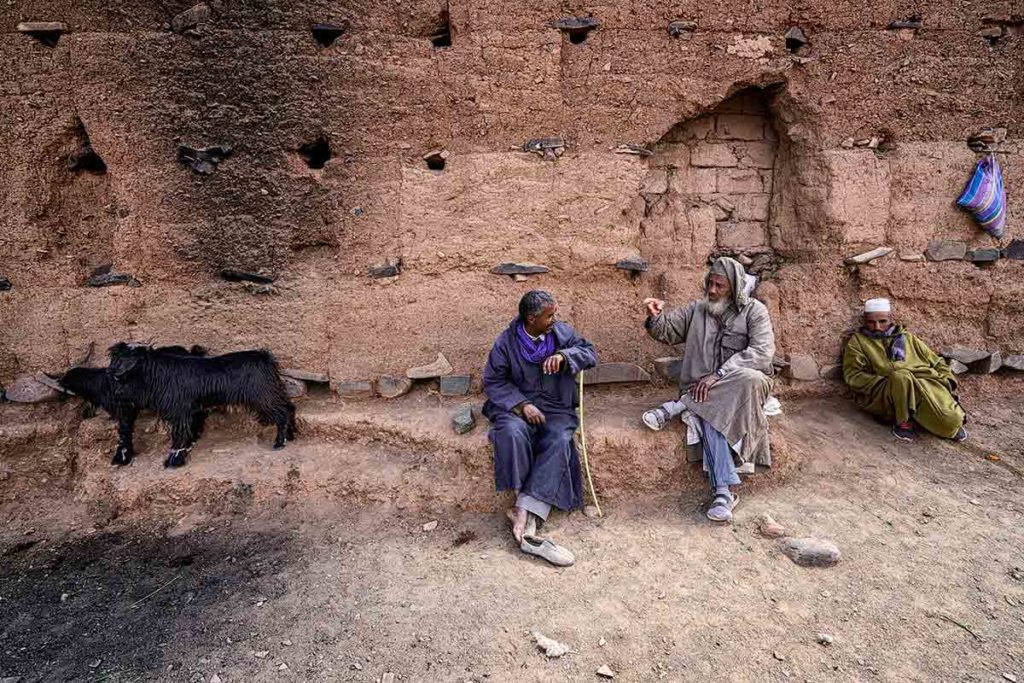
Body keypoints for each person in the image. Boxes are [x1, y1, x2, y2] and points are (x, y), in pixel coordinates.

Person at [642, 257, 776, 523]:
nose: (712, 290)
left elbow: (761, 353)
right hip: (703, 391)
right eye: (710, 283)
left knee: (749, 377)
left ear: (734, 287)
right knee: (713, 414)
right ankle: (724, 493)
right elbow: (668, 332)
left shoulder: (755, 311)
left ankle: (679, 405)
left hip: (745, 385)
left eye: (720, 286)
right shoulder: (698, 310)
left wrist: (718, 375)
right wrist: (655, 318)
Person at [482, 290, 598, 566]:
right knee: (510, 432)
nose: (553, 320)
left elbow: (590, 353)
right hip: (518, 407)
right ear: (531, 319)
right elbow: (494, 382)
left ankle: (524, 509)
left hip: (555, 406)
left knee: (559, 438)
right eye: (549, 316)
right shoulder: (506, 343)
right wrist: (522, 405)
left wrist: (565, 356)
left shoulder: (561, 333)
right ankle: (525, 500)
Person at [843, 298, 967, 442]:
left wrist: (947, 380)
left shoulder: (908, 338)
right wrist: (885, 382)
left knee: (951, 420)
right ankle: (903, 422)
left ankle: (945, 419)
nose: (877, 327)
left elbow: (937, 361)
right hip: (886, 392)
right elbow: (853, 375)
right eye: (871, 322)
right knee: (900, 377)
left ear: (890, 319)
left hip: (923, 382)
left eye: (882, 321)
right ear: (865, 321)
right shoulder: (858, 342)